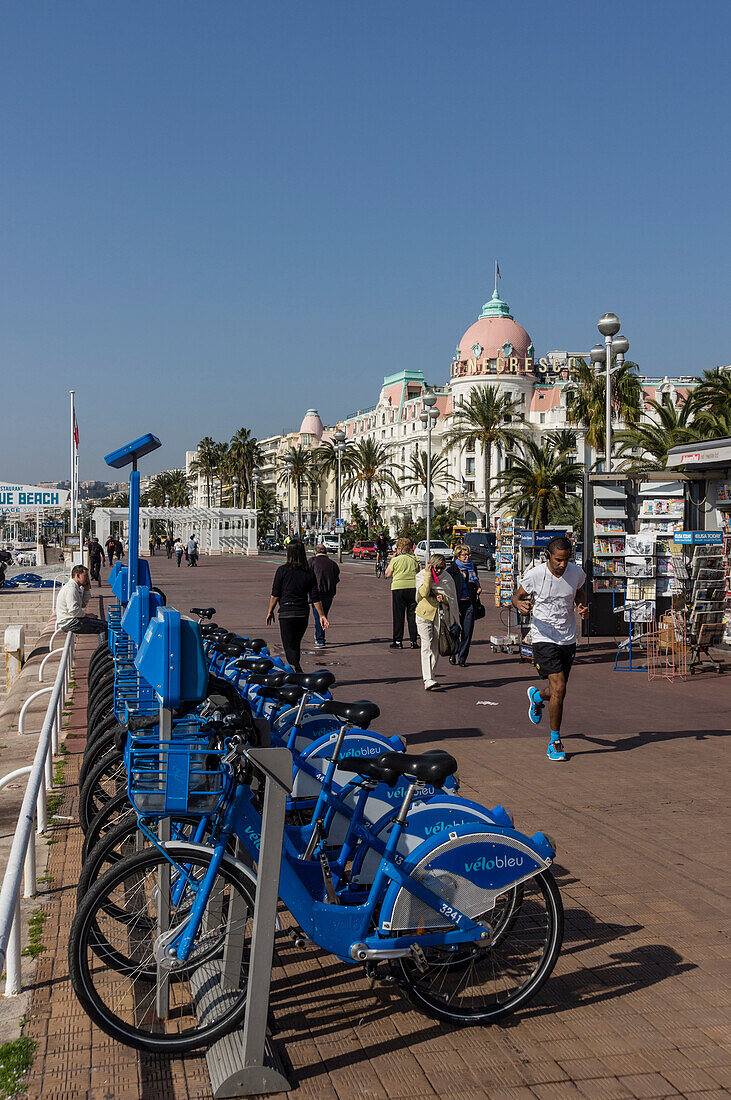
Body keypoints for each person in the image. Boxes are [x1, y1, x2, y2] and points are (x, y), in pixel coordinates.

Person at [512, 535, 588, 763]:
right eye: (558, 560)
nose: (562, 565)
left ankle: (536, 696)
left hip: (567, 637)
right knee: (560, 686)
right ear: (549, 557)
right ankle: (555, 741)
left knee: (557, 691)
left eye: (566, 560)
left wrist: (582, 606)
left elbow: (580, 591)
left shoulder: (576, 573)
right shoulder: (535, 575)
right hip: (543, 636)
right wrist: (521, 604)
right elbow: (516, 596)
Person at [266, 540, 329, 672]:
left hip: (286, 613)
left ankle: (297, 673)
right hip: (302, 614)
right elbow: (315, 597)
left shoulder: (282, 570)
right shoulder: (309, 573)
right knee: (295, 644)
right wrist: (322, 615)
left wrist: (270, 611)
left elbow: (275, 594)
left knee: (289, 646)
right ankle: (295, 671)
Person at [415, 554, 453, 690]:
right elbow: (423, 593)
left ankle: (430, 673)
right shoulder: (421, 575)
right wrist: (427, 575)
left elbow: (452, 599)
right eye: (436, 567)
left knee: (436, 647)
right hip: (423, 615)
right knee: (426, 644)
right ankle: (428, 678)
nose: (439, 571)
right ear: (431, 565)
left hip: (439, 615)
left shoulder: (446, 578)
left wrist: (443, 599)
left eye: (442, 568)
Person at [447, 543, 482, 666]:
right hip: (456, 604)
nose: (467, 557)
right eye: (464, 555)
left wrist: (478, 588)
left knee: (467, 632)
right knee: (455, 631)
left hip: (469, 603)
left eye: (468, 554)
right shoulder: (452, 570)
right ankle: (453, 652)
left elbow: (476, 582)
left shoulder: (472, 568)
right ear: (458, 556)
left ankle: (462, 658)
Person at [385, 537, 419, 649]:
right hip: (413, 588)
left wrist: (392, 560)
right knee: (412, 615)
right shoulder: (414, 559)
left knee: (398, 615)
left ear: (399, 548)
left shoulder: (396, 559)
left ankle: (398, 641)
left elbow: (388, 574)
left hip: (398, 588)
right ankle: (413, 641)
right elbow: (420, 572)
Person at [56, 565, 107, 638]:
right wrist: (87, 615)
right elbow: (74, 610)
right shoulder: (71, 589)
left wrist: (86, 590)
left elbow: (82, 604)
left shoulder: (76, 587)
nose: (87, 579)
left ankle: (104, 648)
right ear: (77, 576)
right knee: (103, 627)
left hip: (72, 619)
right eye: (85, 576)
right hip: (69, 622)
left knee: (104, 624)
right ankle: (104, 649)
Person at [309, 544, 340, 649]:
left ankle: (320, 639)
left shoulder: (312, 561)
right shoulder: (333, 564)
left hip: (316, 594)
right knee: (323, 614)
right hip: (329, 593)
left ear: (315, 551)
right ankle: (319, 634)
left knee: (318, 616)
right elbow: (336, 579)